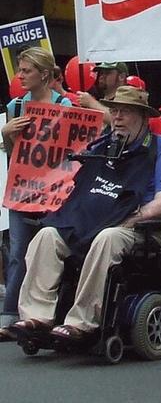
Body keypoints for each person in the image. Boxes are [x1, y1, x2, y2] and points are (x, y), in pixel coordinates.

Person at [9, 85, 161, 341]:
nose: (117, 117)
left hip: (141, 227)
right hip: (94, 221)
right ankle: (37, 316)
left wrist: (131, 220)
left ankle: (83, 320)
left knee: (107, 237)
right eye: (115, 111)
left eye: (125, 112)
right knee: (47, 235)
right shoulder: (101, 145)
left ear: (142, 117)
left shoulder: (160, 148)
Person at [0, 47, 75, 341]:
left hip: (55, 192)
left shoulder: (65, 104)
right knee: (18, 252)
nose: (21, 76)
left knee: (49, 250)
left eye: (27, 70)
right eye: (20, 70)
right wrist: (6, 132)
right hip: (23, 190)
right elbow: (11, 154)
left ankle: (49, 312)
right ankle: (10, 314)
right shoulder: (16, 107)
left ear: (44, 74)